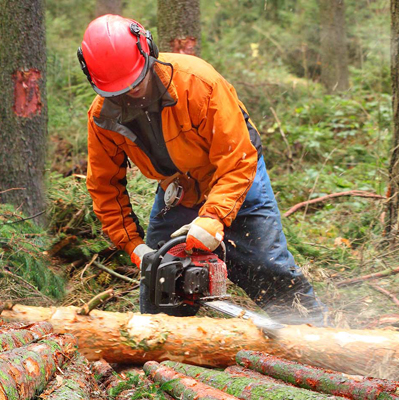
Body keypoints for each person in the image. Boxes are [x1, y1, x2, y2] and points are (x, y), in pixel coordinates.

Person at [78, 14, 325, 325]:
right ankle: (163, 359)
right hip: (179, 189)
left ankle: (315, 336)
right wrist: (134, 245)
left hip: (235, 175)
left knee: (268, 266)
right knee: (159, 279)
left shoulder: (198, 83)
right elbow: (104, 186)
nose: (131, 93)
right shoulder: (103, 117)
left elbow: (237, 159)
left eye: (136, 81)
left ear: (148, 50)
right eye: (119, 90)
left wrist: (213, 220)